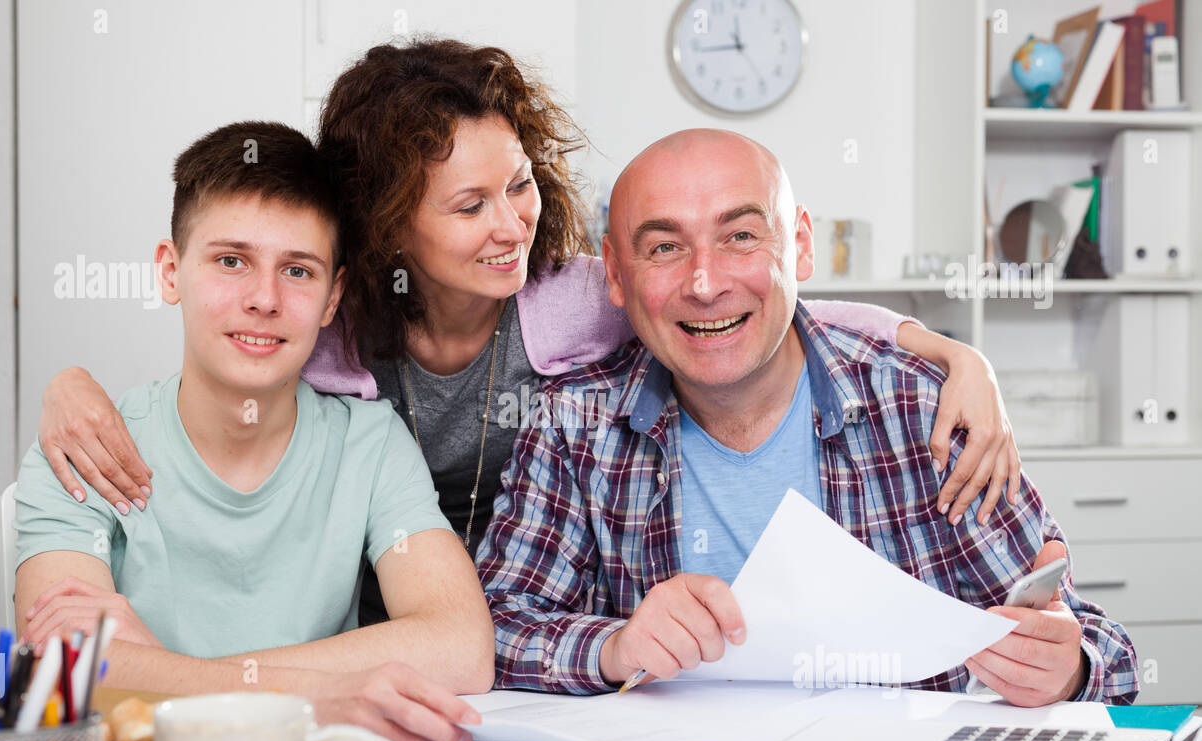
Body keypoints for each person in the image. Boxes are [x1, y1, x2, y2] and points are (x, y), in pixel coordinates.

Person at [32, 40, 1024, 636]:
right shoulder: (330, 328)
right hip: (388, 629)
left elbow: (738, 306)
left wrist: (945, 353)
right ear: (388, 228)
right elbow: (219, 353)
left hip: (521, 618)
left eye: (520, 185)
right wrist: (72, 383)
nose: (511, 224)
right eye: (469, 206)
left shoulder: (569, 298)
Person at [476, 129, 1138, 707]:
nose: (705, 283)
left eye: (740, 237)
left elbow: (1106, 653)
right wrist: (613, 647)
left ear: (799, 249)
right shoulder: (573, 423)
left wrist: (1068, 670)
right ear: (616, 278)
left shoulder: (923, 410)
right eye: (665, 249)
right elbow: (495, 633)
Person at [15, 122, 489, 741]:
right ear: (170, 271)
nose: (264, 299)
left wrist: (166, 673)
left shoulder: (368, 443)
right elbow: (60, 667)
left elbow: (462, 646)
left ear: (332, 298)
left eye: (297, 270)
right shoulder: (84, 447)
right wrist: (308, 699)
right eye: (231, 261)